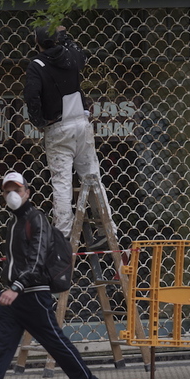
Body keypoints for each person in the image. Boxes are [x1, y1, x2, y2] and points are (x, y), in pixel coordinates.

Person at [0, 171, 103, 379]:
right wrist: (11, 287)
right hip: (13, 296)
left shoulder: (35, 218)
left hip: (33, 295)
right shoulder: (14, 222)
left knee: (55, 344)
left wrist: (16, 287)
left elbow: (36, 260)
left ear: (27, 192)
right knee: (0, 347)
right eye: (7, 191)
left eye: (17, 190)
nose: (12, 194)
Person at [23, 25, 116, 247]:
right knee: (92, 177)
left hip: (58, 127)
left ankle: (63, 234)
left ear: (38, 42)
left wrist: (39, 121)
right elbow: (79, 53)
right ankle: (107, 229)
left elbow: (32, 96)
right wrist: (65, 36)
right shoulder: (72, 57)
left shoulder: (37, 66)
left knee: (62, 182)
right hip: (81, 124)